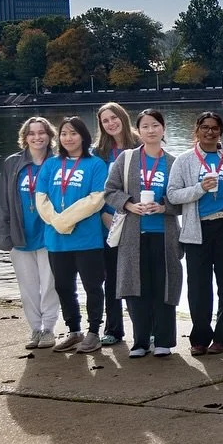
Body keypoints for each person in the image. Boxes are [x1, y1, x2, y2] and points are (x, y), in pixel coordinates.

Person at [103, 109, 182, 358]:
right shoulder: (126, 159)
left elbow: (181, 200)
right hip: (133, 236)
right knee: (136, 288)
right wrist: (129, 204)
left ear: (163, 128)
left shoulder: (173, 162)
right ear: (139, 130)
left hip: (165, 234)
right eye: (145, 126)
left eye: (155, 125)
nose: (151, 130)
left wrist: (164, 207)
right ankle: (139, 341)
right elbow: (110, 190)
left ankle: (164, 341)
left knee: (164, 287)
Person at [168, 112, 223, 356]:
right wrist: (199, 188)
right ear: (196, 130)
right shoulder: (184, 160)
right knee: (199, 286)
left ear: (221, 131)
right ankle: (200, 337)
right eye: (204, 127)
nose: (209, 132)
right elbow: (173, 195)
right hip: (197, 228)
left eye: (214, 128)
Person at [35, 116, 109, 354]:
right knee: (64, 286)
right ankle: (74, 330)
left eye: (74, 133)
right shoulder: (50, 165)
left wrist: (65, 220)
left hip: (87, 239)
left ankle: (94, 331)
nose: (68, 138)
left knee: (92, 286)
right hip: (57, 239)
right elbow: (41, 198)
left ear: (83, 137)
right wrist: (57, 222)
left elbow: (97, 199)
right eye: (64, 133)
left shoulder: (95, 164)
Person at [0, 116, 59, 349]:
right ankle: (35, 328)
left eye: (41, 132)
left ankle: (49, 329)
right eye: (31, 133)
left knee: (50, 284)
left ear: (49, 136)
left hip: (50, 235)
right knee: (28, 286)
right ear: (25, 138)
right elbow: (3, 201)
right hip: (21, 235)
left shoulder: (57, 162)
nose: (37, 137)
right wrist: (4, 236)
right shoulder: (12, 163)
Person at [94, 102, 137, 345]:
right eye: (105, 120)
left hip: (135, 220)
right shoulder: (99, 152)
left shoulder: (140, 144)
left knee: (137, 276)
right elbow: (93, 189)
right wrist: (103, 214)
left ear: (122, 116)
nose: (111, 123)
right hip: (108, 222)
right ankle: (113, 329)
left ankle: (145, 328)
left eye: (114, 118)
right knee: (111, 278)